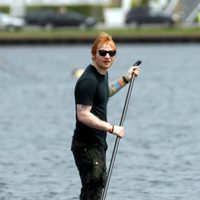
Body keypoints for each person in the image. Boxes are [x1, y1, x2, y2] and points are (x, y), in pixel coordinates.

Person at [71, 32, 140, 200]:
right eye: (102, 53)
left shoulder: (101, 74)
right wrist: (112, 128)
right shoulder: (88, 81)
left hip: (96, 144)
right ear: (94, 54)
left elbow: (104, 92)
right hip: (87, 146)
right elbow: (83, 115)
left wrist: (125, 79)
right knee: (94, 189)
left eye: (111, 53)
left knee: (93, 190)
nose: (107, 56)